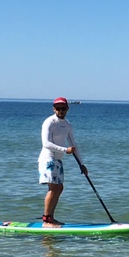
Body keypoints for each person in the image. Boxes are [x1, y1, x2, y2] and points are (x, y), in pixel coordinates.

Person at [38, 97, 88, 227]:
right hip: (48, 159)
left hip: (58, 160)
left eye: (63, 108)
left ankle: (51, 218)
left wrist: (82, 164)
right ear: (54, 109)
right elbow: (46, 143)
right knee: (53, 188)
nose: (61, 110)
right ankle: (46, 220)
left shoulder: (67, 124)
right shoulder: (49, 122)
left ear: (67, 109)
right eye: (58, 108)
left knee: (59, 188)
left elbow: (73, 144)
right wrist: (65, 149)